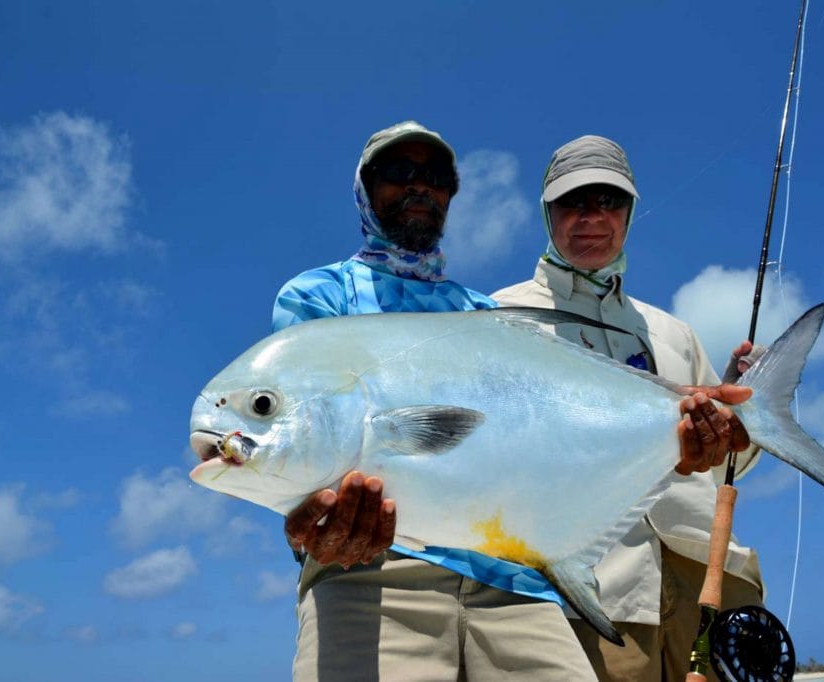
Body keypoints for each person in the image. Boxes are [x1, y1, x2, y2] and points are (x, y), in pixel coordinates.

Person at [272, 122, 753, 681]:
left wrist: (705, 431)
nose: (418, 186)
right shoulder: (319, 297)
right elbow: (299, 439)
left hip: (515, 581)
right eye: (397, 172)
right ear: (363, 186)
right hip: (376, 572)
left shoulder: (486, 312)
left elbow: (544, 444)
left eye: (435, 176)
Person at [492, 134, 765, 681]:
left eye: (609, 200)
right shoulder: (498, 318)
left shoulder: (672, 332)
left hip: (708, 572)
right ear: (548, 214)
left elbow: (733, 465)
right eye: (574, 201)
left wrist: (740, 417)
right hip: (590, 591)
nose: (592, 217)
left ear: (630, 211)